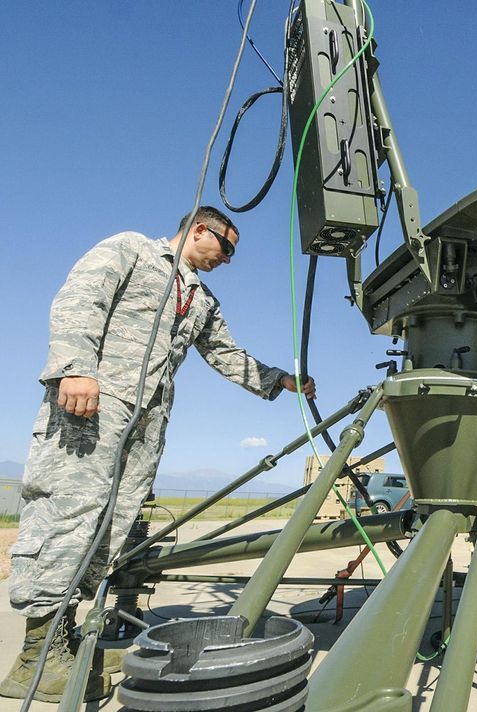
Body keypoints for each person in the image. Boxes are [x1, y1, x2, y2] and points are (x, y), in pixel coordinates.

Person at [2, 207, 316, 702]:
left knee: (110, 528)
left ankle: (64, 636)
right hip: (93, 407)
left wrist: (279, 380)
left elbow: (226, 355)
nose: (228, 260)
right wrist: (75, 368)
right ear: (198, 229)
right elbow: (80, 300)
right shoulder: (132, 250)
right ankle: (34, 655)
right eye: (226, 248)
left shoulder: (201, 299)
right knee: (68, 514)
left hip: (144, 429)